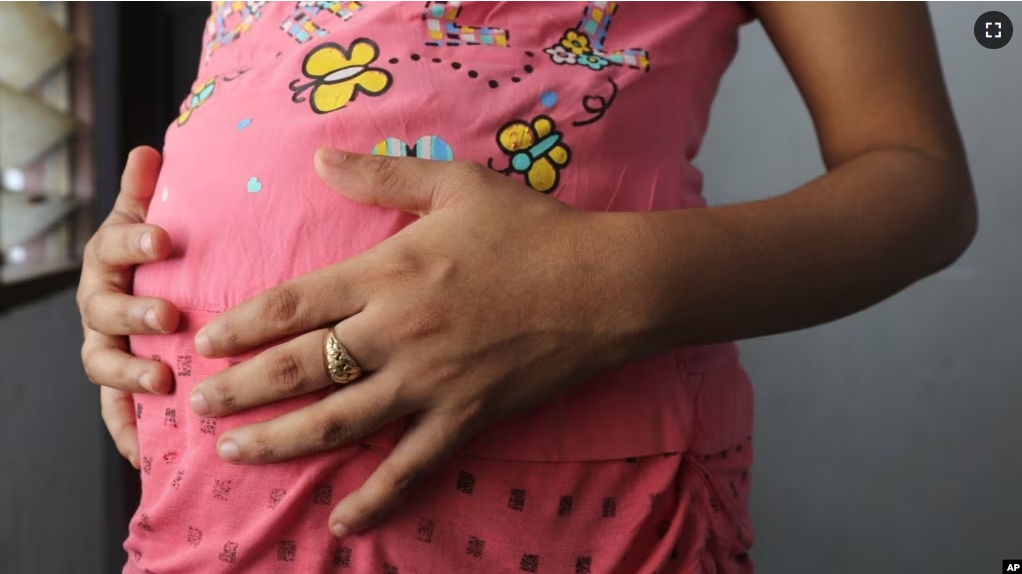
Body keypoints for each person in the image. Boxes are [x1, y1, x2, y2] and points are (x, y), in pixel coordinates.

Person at [77, 2, 976, 572]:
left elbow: (919, 180)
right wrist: (149, 253)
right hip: (211, 501)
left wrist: (587, 289)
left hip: (568, 513)